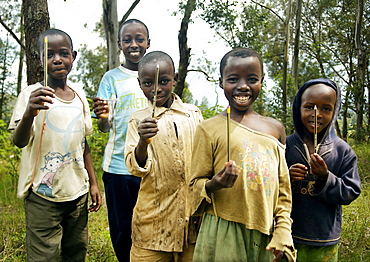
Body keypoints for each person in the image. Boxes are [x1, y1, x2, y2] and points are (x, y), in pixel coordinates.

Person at [188, 48, 296, 262]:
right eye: (233, 79)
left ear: (262, 81)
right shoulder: (208, 129)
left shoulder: (275, 129)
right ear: (221, 82)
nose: (243, 86)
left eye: (252, 79)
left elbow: (283, 189)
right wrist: (214, 184)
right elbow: (193, 185)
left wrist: (283, 229)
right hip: (222, 229)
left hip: (266, 232)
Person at [8, 28, 102, 261]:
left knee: (75, 252)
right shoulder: (30, 94)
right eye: (49, 54)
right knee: (44, 256)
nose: (57, 59)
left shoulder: (80, 96)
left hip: (77, 193)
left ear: (73, 56)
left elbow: (83, 144)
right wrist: (30, 112)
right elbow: (19, 141)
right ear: (40, 60)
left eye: (63, 53)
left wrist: (93, 183)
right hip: (42, 194)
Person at [124, 51, 203, 261]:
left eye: (164, 81)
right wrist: (143, 141)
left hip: (192, 221)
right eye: (148, 83)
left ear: (175, 79)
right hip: (152, 224)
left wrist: (202, 207)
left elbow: (203, 164)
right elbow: (135, 167)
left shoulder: (193, 114)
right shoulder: (137, 119)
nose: (156, 89)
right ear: (140, 83)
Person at [92, 19, 150, 261]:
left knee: (148, 226)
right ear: (119, 44)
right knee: (122, 229)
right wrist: (103, 117)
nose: (133, 44)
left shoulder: (156, 74)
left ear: (148, 43)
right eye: (127, 40)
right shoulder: (111, 79)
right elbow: (104, 127)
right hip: (118, 169)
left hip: (150, 168)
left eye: (139, 39)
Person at [286, 78, 361, 261]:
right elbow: (269, 185)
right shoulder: (286, 146)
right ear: (298, 108)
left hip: (324, 240)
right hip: (286, 235)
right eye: (309, 107)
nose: (316, 114)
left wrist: (325, 177)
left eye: (326, 109)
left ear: (334, 112)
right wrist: (286, 177)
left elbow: (351, 191)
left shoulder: (342, 151)